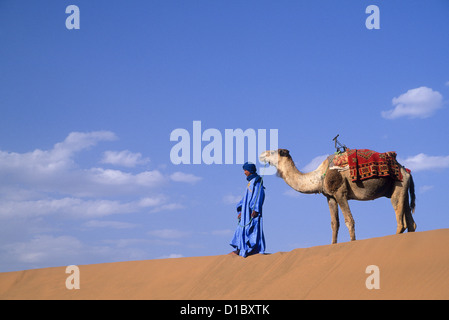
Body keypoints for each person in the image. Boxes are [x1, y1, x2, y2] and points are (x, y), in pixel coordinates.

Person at [230, 162, 266, 257]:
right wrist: (241, 211)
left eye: (245, 170)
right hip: (246, 213)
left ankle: (252, 250)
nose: (244, 172)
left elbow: (258, 196)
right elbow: (245, 199)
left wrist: (256, 209)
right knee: (241, 228)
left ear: (250, 171)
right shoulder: (250, 183)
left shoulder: (257, 182)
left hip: (252, 212)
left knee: (252, 229)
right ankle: (240, 249)